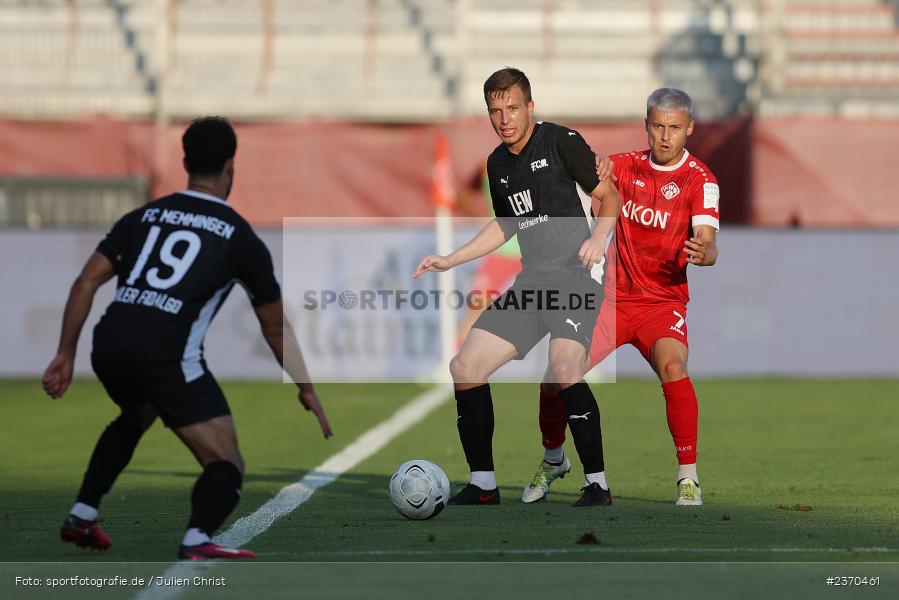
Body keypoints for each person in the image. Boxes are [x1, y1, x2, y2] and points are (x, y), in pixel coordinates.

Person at [42, 117, 332, 560]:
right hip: (166, 354)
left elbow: (86, 282)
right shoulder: (238, 236)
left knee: (136, 415)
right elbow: (274, 327)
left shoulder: (142, 217)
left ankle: (83, 512)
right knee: (227, 464)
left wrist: (65, 353)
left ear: (185, 162)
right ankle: (197, 537)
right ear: (231, 166)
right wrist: (306, 386)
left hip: (109, 342)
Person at [414, 68, 622, 507]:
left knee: (565, 368)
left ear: (530, 106)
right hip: (532, 280)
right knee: (465, 368)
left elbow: (611, 196)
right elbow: (506, 224)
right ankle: (484, 484)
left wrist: (598, 238)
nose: (504, 118)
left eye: (512, 108)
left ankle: (598, 485)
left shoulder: (561, 140)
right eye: (495, 110)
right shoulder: (497, 163)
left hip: (575, 275)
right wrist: (452, 259)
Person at [522, 88, 719, 506]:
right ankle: (553, 458)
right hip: (608, 301)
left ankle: (688, 476)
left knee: (674, 365)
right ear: (646, 126)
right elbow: (586, 180)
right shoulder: (624, 168)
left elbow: (708, 240)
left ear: (689, 130)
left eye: (675, 128)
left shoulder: (701, 181)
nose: (665, 136)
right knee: (557, 375)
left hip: (660, 304)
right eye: (658, 126)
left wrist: (705, 253)